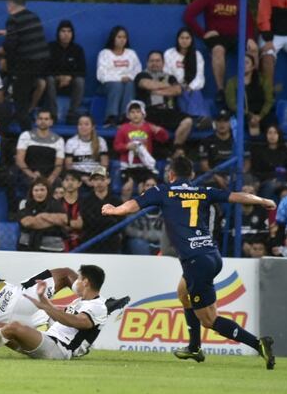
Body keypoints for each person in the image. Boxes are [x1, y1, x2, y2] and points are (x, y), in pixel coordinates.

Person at [101, 155, 276, 369]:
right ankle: (194, 347)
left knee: (209, 320)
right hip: (211, 256)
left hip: (196, 262)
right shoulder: (204, 191)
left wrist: (113, 209)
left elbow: (130, 206)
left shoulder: (163, 191)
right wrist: (264, 201)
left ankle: (259, 344)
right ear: (191, 175)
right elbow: (238, 196)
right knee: (183, 294)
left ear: (170, 174)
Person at [0, 264, 111, 361]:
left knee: (14, 328)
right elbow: (65, 320)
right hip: (48, 340)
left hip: (59, 350)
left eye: (79, 279)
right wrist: (43, 300)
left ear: (86, 282)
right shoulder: (81, 302)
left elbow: (78, 322)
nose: (76, 282)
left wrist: (47, 307)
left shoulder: (97, 306)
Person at [183, 0, 256, 105]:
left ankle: (252, 86)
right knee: (218, 50)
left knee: (253, 51)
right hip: (217, 38)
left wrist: (250, 37)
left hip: (236, 36)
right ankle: (220, 90)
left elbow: (248, 19)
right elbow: (188, 15)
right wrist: (203, 34)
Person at [0, 0, 50, 131]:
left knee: (20, 102)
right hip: (41, 63)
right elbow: (23, 32)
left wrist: (1, 51)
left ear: (10, 5)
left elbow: (11, 44)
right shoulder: (33, 16)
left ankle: (26, 134)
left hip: (25, 64)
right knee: (31, 87)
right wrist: (1, 32)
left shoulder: (13, 19)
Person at [135, 50, 194, 147]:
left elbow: (177, 90)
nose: (154, 63)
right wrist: (168, 86)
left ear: (163, 63)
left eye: (158, 61)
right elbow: (147, 84)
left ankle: (176, 149)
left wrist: (157, 90)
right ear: (147, 63)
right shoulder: (141, 75)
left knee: (188, 121)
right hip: (148, 113)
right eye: (152, 61)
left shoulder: (170, 77)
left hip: (168, 111)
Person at [113, 100, 169, 192]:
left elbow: (164, 138)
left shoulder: (149, 127)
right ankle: (123, 206)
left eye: (138, 112)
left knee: (144, 188)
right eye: (132, 112)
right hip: (128, 166)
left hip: (145, 166)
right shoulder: (123, 128)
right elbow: (117, 146)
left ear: (143, 113)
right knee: (128, 187)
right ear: (128, 114)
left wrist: (159, 130)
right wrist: (127, 146)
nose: (135, 115)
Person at [163, 28, 211, 125]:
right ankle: (197, 118)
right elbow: (166, 72)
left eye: (187, 38)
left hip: (190, 86)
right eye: (182, 38)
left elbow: (200, 76)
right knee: (182, 91)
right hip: (173, 85)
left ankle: (196, 119)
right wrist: (178, 84)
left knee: (195, 91)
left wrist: (190, 87)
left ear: (191, 40)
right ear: (178, 39)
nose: (184, 41)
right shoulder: (169, 53)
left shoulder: (197, 55)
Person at [97, 25, 142, 127]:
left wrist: (129, 77)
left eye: (124, 37)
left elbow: (138, 71)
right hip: (106, 86)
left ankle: (125, 117)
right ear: (113, 38)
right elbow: (101, 75)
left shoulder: (131, 53)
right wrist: (120, 78)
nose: (122, 40)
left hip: (127, 85)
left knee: (130, 84)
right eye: (119, 37)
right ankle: (111, 117)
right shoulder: (104, 53)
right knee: (117, 85)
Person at [45, 20, 86, 124]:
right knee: (49, 79)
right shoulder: (50, 47)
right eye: (63, 31)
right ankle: (53, 114)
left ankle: (72, 114)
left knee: (80, 81)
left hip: (71, 82)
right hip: (54, 81)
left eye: (69, 31)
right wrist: (58, 77)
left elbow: (83, 70)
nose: (66, 34)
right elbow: (44, 68)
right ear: (58, 33)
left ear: (72, 34)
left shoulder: (77, 49)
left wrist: (70, 77)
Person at [225, 54, 274, 138]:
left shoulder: (263, 80)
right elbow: (231, 103)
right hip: (242, 114)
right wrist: (249, 115)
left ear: (253, 66)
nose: (243, 65)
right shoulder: (232, 82)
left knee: (272, 125)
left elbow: (269, 100)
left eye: (246, 62)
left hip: (262, 115)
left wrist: (260, 116)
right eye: (241, 62)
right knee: (233, 123)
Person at [15, 110, 64, 188]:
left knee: (58, 183)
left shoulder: (59, 140)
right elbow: (19, 160)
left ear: (51, 122)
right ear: (36, 121)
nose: (43, 121)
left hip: (48, 175)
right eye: (40, 119)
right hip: (28, 174)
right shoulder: (25, 136)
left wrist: (51, 178)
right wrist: (32, 175)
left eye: (46, 119)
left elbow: (58, 165)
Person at [17, 177, 67, 252]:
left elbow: (65, 220)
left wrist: (42, 216)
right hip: (27, 245)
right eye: (36, 190)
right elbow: (27, 222)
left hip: (53, 247)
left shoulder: (56, 204)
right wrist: (53, 221)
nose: (39, 193)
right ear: (31, 192)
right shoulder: (24, 203)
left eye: (42, 190)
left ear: (48, 191)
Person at [80, 166, 122, 253]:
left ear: (108, 180)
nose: (99, 182)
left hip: (111, 240)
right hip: (90, 240)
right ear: (91, 182)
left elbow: (120, 222)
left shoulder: (116, 201)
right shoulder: (85, 200)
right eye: (95, 179)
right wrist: (109, 220)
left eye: (102, 179)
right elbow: (88, 222)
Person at [64, 114, 109, 185]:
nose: (83, 127)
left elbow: (104, 164)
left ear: (93, 127)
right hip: (77, 177)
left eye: (86, 124)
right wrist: (82, 178)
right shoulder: (71, 142)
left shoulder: (101, 141)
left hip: (96, 176)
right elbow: (68, 166)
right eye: (80, 124)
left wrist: (94, 178)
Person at [251, 125, 287, 200]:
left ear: (279, 135)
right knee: (271, 185)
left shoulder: (286, 151)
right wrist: (272, 177)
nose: (272, 136)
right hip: (266, 181)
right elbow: (256, 172)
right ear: (266, 135)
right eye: (270, 133)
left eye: (275, 133)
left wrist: (283, 178)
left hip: (284, 180)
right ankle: (265, 210)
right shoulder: (260, 151)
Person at [123, 176, 163, 255]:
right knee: (137, 243)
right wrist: (145, 235)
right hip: (142, 241)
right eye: (148, 185)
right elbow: (128, 229)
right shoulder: (135, 204)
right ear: (143, 187)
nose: (150, 188)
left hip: (160, 241)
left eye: (153, 185)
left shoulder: (164, 204)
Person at [198, 110, 235, 190]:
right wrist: (217, 177)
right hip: (213, 176)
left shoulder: (236, 140)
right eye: (219, 121)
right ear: (215, 123)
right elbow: (204, 165)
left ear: (230, 123)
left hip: (233, 175)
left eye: (225, 121)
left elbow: (246, 164)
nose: (222, 124)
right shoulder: (206, 141)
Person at [59, 171, 84, 251]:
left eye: (73, 180)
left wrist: (63, 222)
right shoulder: (56, 203)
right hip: (60, 243)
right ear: (62, 183)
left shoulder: (85, 203)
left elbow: (81, 224)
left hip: (83, 242)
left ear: (79, 183)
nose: (70, 183)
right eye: (66, 180)